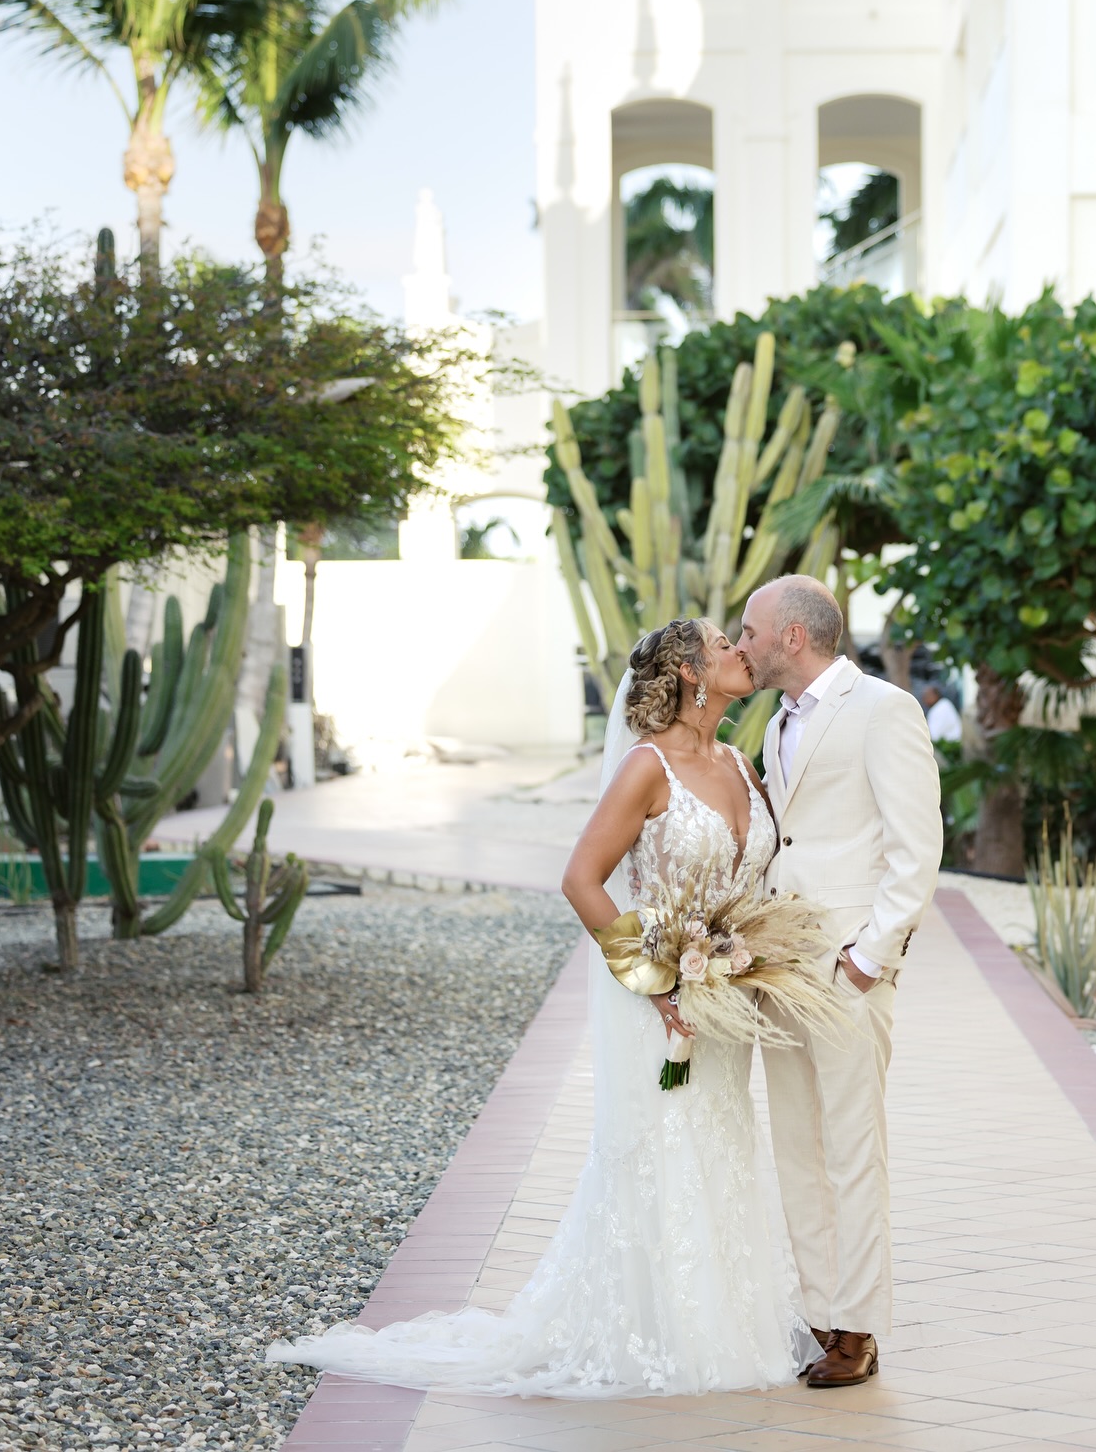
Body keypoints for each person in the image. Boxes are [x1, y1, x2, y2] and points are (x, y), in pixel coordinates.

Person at [267, 618, 820, 1396]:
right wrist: (657, 978)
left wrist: (740, 959)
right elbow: (582, 879)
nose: (740, 651)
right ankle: (651, 1330)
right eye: (726, 644)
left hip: (722, 1003)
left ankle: (721, 1319)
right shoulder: (645, 768)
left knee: (719, 1149)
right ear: (693, 673)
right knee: (660, 1153)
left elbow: (754, 881)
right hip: (657, 1002)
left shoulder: (738, 760)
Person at [738, 575, 945, 1389]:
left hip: (847, 970)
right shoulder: (774, 725)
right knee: (797, 1146)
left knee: (854, 1149)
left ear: (793, 635)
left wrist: (871, 956)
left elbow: (915, 847)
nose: (742, 643)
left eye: (750, 631)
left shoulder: (884, 709)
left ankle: (860, 1326)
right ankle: (821, 1311)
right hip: (779, 968)